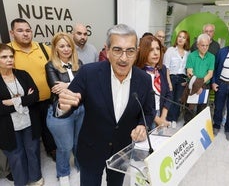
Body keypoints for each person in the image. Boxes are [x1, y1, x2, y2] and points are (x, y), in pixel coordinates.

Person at [57, 24, 155, 186]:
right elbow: (68, 104)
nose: (124, 58)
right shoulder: (88, 73)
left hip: (122, 151)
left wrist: (142, 126)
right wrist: (62, 107)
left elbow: (148, 110)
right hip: (91, 149)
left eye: (130, 51)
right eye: (117, 50)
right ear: (107, 51)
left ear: (137, 52)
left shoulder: (144, 79)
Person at [8, 18, 57, 161]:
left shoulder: (43, 48)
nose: (25, 34)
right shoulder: (8, 51)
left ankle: (52, 150)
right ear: (12, 33)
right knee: (31, 133)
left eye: (28, 30)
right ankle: (32, 161)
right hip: (26, 101)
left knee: (49, 127)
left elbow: (55, 68)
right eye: (20, 30)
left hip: (48, 98)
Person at [0, 44, 43, 186]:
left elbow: (35, 96)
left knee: (32, 150)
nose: (9, 60)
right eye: (4, 57)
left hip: (29, 121)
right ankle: (21, 182)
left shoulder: (23, 74)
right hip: (8, 126)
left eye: (11, 56)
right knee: (15, 155)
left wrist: (12, 102)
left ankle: (36, 178)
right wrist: (24, 101)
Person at [45, 33, 85, 186]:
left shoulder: (79, 63)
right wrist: (76, 84)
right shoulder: (50, 65)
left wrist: (67, 85)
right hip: (61, 112)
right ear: (55, 48)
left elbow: (85, 86)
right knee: (65, 146)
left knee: (79, 141)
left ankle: (81, 165)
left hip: (80, 108)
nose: (66, 49)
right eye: (62, 46)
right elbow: (56, 89)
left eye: (69, 45)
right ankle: (63, 173)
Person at [136, 35, 172, 128]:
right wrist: (157, 120)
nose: (156, 53)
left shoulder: (162, 69)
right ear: (144, 51)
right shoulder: (137, 72)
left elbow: (168, 93)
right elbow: (139, 102)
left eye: (157, 49)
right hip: (144, 118)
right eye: (151, 50)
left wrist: (163, 118)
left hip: (160, 113)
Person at [183, 33, 215, 124]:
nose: (205, 47)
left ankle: (198, 125)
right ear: (197, 45)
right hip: (192, 84)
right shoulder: (192, 56)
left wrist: (200, 85)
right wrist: (196, 86)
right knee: (190, 107)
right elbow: (189, 72)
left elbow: (210, 74)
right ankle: (187, 125)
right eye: (202, 45)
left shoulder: (212, 57)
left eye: (207, 45)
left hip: (205, 85)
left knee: (202, 107)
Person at [163, 30, 190, 123]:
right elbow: (166, 67)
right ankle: (168, 119)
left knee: (178, 100)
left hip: (182, 79)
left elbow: (189, 69)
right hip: (172, 77)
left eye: (183, 37)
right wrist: (169, 82)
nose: (181, 39)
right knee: (170, 99)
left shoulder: (188, 53)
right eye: (179, 36)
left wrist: (187, 80)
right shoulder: (170, 50)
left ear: (186, 40)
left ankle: (174, 119)